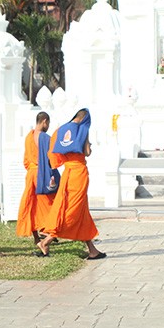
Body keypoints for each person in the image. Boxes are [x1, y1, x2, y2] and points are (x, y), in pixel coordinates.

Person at [36, 108, 105, 260]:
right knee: (72, 211)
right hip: (79, 173)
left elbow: (53, 152)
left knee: (80, 211)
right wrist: (89, 146)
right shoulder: (83, 129)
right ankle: (46, 241)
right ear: (86, 119)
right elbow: (86, 151)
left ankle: (92, 250)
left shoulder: (62, 129)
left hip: (67, 173)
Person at [16, 112, 57, 246]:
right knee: (50, 203)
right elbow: (51, 157)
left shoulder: (29, 137)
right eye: (48, 123)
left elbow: (26, 160)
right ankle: (47, 229)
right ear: (44, 121)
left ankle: (36, 237)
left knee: (32, 205)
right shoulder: (45, 137)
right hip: (42, 173)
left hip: (31, 174)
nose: (48, 126)